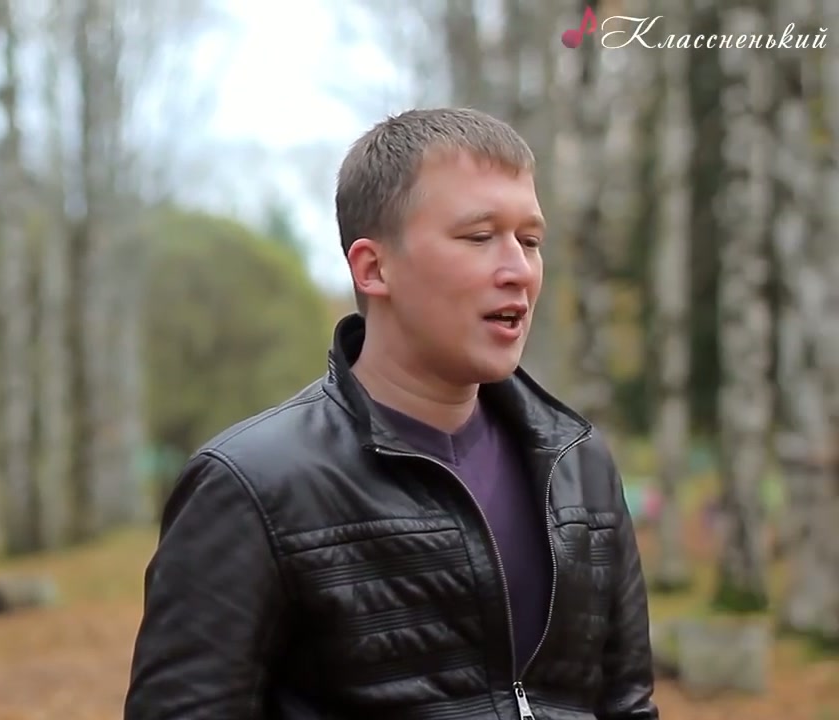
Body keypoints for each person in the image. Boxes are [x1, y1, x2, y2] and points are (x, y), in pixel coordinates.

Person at [123, 108, 659, 720]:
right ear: (374, 269)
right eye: (479, 237)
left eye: (530, 241)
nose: (518, 270)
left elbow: (627, 704)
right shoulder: (251, 486)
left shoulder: (578, 466)